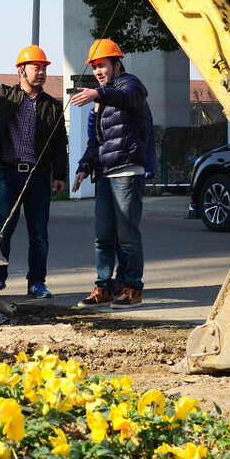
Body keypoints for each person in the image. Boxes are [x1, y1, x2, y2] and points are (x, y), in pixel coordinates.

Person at [0, 45, 68, 299]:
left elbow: (60, 142)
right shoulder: (6, 97)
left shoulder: (52, 106)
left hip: (37, 177)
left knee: (39, 235)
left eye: (44, 68)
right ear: (21, 70)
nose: (41, 72)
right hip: (9, 175)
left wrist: (59, 175)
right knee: (2, 231)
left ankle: (36, 283)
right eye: (36, 67)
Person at [70, 38, 150, 306]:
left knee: (127, 237)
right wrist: (84, 167)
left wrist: (98, 94)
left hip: (127, 173)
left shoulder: (131, 84)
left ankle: (132, 289)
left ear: (117, 63)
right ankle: (104, 288)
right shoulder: (103, 95)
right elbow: (97, 140)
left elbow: (129, 98)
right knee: (103, 238)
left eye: (102, 65)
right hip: (104, 174)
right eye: (94, 68)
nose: (98, 72)